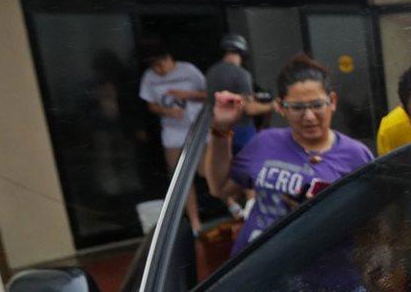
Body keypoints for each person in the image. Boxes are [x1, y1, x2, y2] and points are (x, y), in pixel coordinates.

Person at [203, 54, 373, 255]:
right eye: (297, 107)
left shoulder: (356, 156)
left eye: (317, 105)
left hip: (324, 273)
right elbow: (220, 189)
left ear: (332, 101)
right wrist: (221, 129)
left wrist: (321, 215)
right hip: (256, 268)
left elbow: (371, 223)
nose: (308, 116)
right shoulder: (264, 142)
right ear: (281, 107)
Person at [139, 43, 208, 232]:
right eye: (154, 67)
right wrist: (166, 111)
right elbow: (150, 105)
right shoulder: (149, 78)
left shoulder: (188, 71)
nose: (158, 70)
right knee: (181, 177)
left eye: (160, 65)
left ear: (169, 59)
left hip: (196, 128)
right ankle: (194, 221)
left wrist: (187, 95)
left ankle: (233, 202)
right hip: (172, 133)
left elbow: (209, 94)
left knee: (205, 170)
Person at [203, 33, 271, 154]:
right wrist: (272, 106)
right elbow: (248, 108)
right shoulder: (242, 74)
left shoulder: (211, 72)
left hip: (219, 128)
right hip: (242, 129)